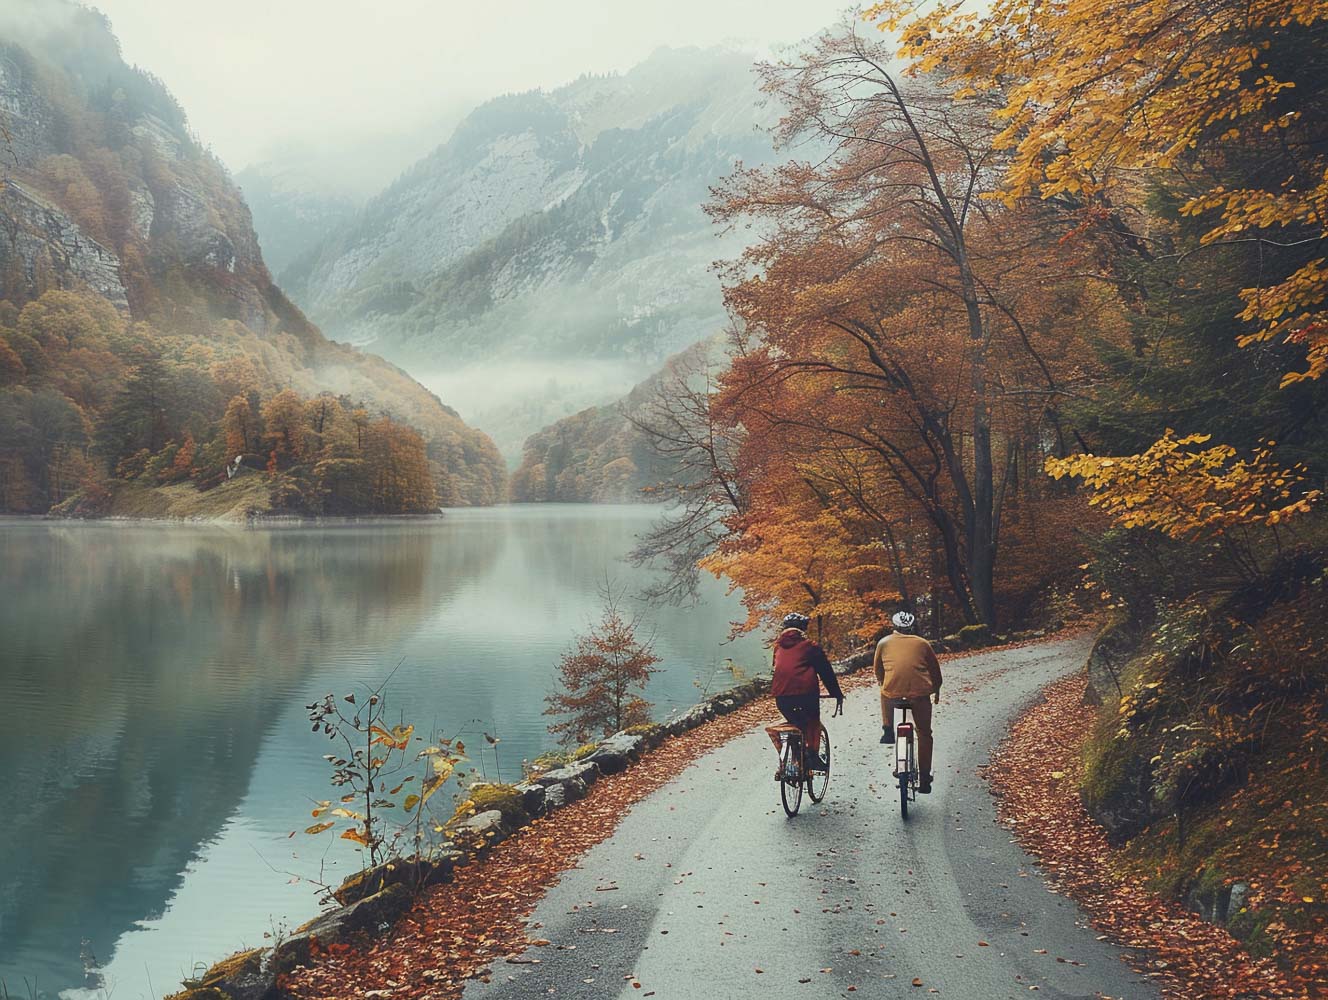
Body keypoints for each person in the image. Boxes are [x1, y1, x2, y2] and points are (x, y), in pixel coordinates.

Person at [874, 610, 943, 793]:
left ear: (894, 627)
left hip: (893, 696)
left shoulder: (883, 643)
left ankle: (888, 729)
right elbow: (935, 672)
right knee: (924, 733)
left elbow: (878, 671)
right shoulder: (923, 644)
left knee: (884, 690)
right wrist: (936, 689)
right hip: (920, 695)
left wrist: (884, 681)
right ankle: (925, 779)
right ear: (911, 627)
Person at [771, 612, 844, 775]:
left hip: (781, 698)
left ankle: (795, 758)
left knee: (796, 723)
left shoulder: (777, 647)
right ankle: (812, 757)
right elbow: (826, 672)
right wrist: (837, 694)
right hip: (806, 695)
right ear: (802, 630)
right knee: (811, 722)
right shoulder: (810, 647)